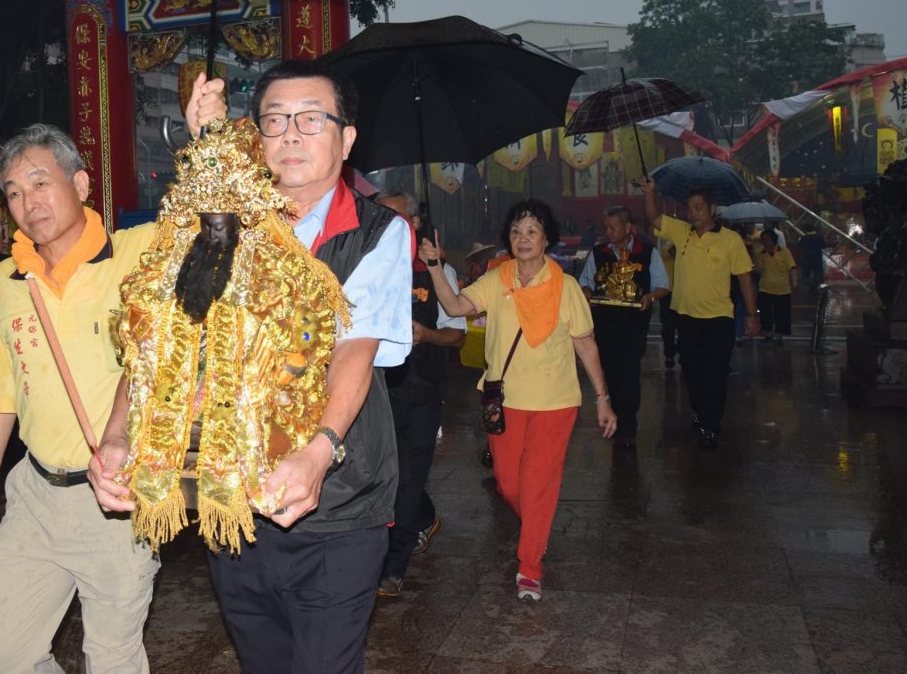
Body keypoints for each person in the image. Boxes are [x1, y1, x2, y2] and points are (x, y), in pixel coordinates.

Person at [170, 61, 412, 673]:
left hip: (338, 502)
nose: (291, 136)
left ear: (346, 138)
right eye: (274, 122)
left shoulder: (378, 232)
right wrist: (207, 149)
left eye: (311, 119)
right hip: (235, 497)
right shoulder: (229, 225)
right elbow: (180, 317)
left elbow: (354, 352)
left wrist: (319, 449)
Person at [0, 125, 160, 672]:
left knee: (113, 658)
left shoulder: (139, 253)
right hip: (34, 495)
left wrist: (208, 131)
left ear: (83, 183)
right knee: (7, 658)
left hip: (113, 504)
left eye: (41, 182)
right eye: (16, 192)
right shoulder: (7, 280)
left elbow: (222, 228)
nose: (29, 202)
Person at [419, 199, 615, 603]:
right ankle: (537, 527)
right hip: (504, 399)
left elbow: (585, 344)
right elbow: (455, 306)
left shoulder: (567, 287)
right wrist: (436, 267)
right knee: (509, 483)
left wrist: (603, 398)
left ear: (546, 239)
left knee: (539, 482)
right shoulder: (497, 279)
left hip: (556, 401)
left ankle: (530, 566)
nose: (523, 239)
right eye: (516, 231)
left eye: (531, 231)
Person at [374, 189, 466, 598]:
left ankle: (393, 566)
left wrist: (426, 334)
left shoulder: (435, 269)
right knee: (384, 475)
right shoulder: (367, 265)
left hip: (423, 390)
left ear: (413, 223)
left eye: (397, 219)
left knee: (409, 479)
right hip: (375, 390)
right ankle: (424, 518)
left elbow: (456, 336)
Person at [642, 179, 758, 450]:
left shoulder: (731, 240)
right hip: (687, 317)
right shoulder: (682, 232)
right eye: (689, 208)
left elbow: (745, 279)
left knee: (715, 375)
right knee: (692, 373)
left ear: (712, 209)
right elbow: (655, 217)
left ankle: (710, 425)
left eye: (698, 208)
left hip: (719, 320)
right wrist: (650, 193)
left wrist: (752, 314)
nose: (692, 213)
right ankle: (700, 412)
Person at [578, 207, 669, 450]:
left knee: (628, 375)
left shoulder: (647, 253)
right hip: (605, 325)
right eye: (606, 227)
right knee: (610, 373)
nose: (608, 232)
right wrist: (587, 294)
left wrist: (650, 297)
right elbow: (585, 283)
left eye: (613, 227)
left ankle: (627, 427)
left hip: (633, 326)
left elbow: (663, 285)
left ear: (628, 228)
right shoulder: (599, 254)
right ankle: (616, 417)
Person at [755, 228, 797, 343]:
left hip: (782, 288)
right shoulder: (761, 254)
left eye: (767, 239)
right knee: (765, 312)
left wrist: (794, 281)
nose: (765, 242)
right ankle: (767, 332)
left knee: (782, 313)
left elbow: (792, 267)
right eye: (763, 240)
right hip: (765, 287)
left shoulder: (784, 251)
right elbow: (759, 270)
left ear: (773, 240)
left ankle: (779, 334)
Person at [658, 239, 680, 368]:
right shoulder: (666, 249)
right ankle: (669, 354)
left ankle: (682, 353)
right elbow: (671, 252)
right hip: (668, 293)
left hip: (683, 292)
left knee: (684, 326)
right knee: (668, 327)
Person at [797, 223, 826, 291]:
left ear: (806, 230)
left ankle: (810, 285)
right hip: (817, 257)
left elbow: (800, 246)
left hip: (807, 258)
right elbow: (824, 245)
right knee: (818, 272)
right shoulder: (819, 236)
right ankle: (818, 286)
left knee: (806, 273)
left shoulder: (804, 237)